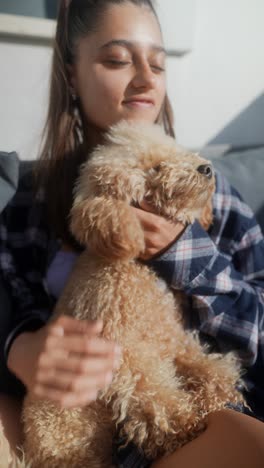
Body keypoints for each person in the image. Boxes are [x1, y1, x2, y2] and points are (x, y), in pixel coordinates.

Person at [0, 1, 264, 467]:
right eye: (118, 60)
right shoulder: (30, 198)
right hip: (63, 421)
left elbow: (258, 330)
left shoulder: (212, 194)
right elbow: (7, 297)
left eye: (158, 63)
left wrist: (183, 252)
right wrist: (17, 346)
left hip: (178, 419)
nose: (146, 78)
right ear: (72, 74)